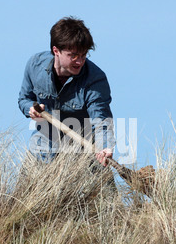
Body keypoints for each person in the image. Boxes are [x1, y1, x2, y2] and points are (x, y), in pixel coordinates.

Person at [18, 16, 115, 168]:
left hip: (87, 150)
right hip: (44, 147)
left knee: (105, 192)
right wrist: (30, 108)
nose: (79, 61)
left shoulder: (95, 79)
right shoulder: (35, 65)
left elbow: (101, 118)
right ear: (56, 50)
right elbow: (24, 98)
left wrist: (105, 146)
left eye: (83, 55)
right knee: (25, 191)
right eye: (73, 56)